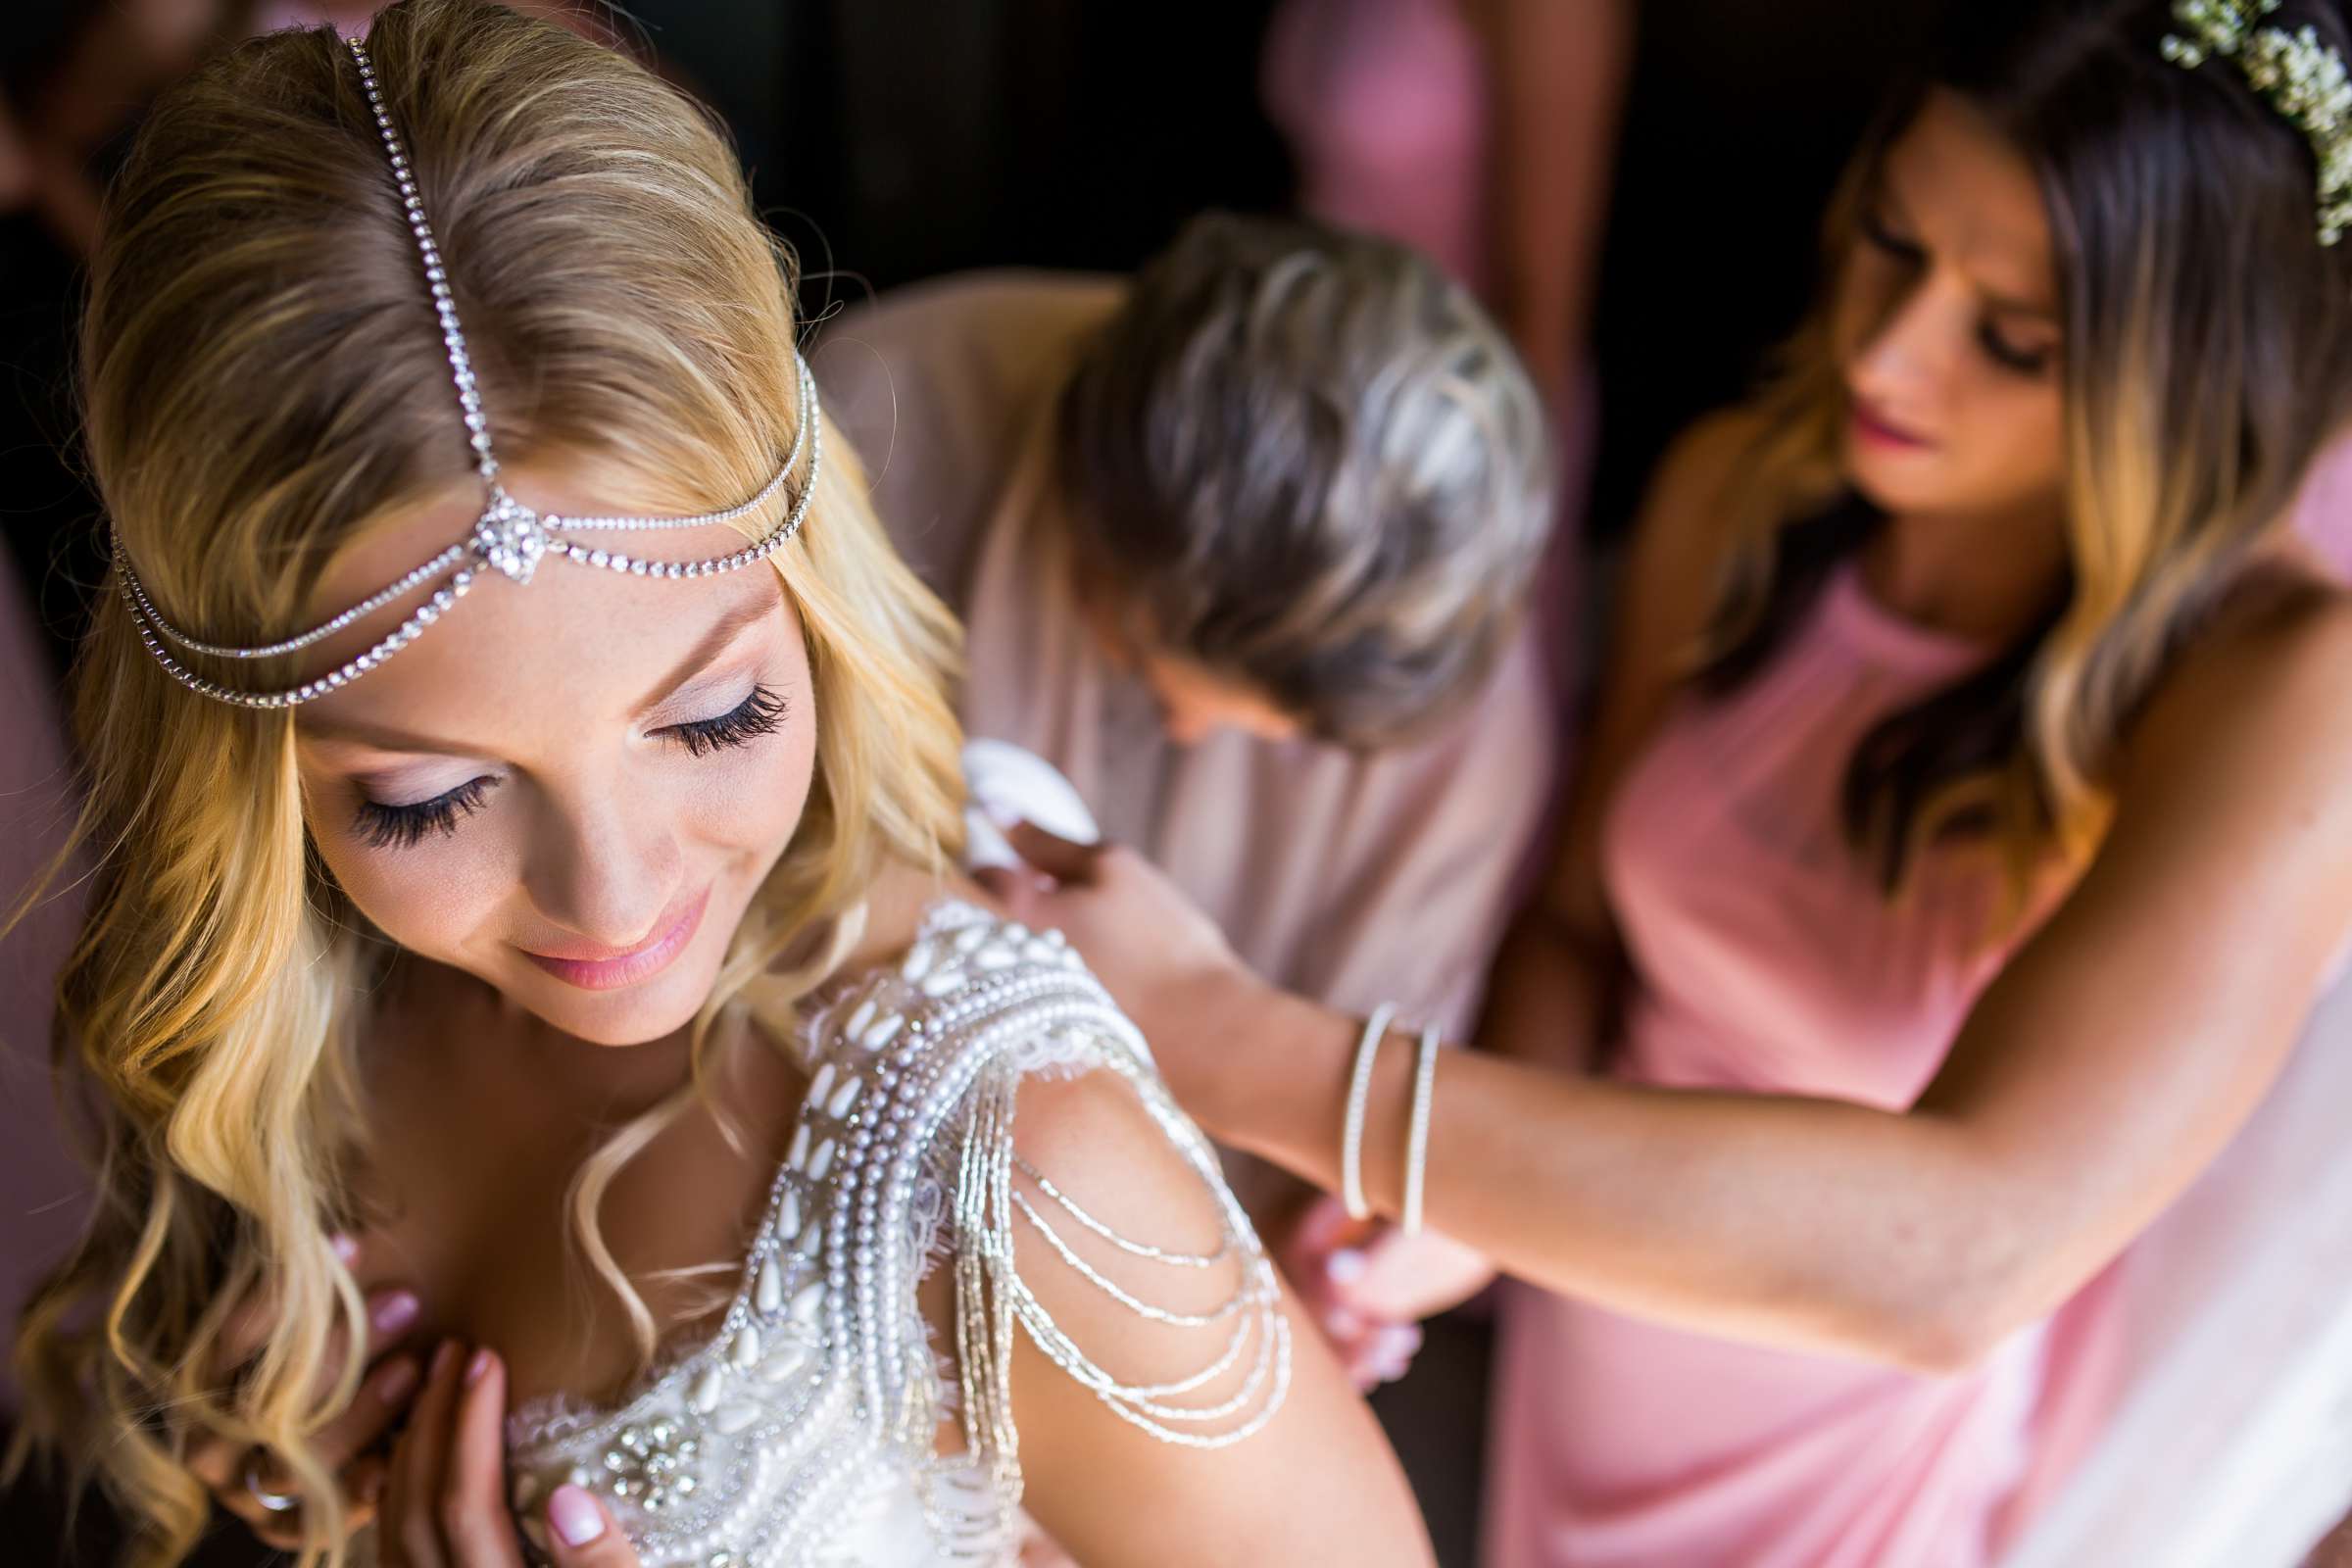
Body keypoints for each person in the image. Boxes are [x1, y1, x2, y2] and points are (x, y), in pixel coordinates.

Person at [0, 5, 1429, 1565]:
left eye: (712, 715)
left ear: (808, 589)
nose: (615, 903)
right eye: (423, 802)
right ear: (241, 751)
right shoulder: (275, 1004)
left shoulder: (1012, 1178)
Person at [984, 0, 2352, 1562]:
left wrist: (1232, 1043)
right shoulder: (1741, 502)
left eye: (2015, 340)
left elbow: (1961, 1259)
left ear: (2185, 376)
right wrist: (1453, 1216)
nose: (1887, 351)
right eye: (1892, 244)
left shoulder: (2272, 683)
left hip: (1852, 1462)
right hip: (1583, 1358)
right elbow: (1577, 926)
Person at [811, 219, 1557, 1376]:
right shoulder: (872, 423)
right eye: (1166, 677)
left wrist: (1374, 1238)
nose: (1189, 733)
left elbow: (1393, 1068)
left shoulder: (1453, 671)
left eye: (1264, 733)